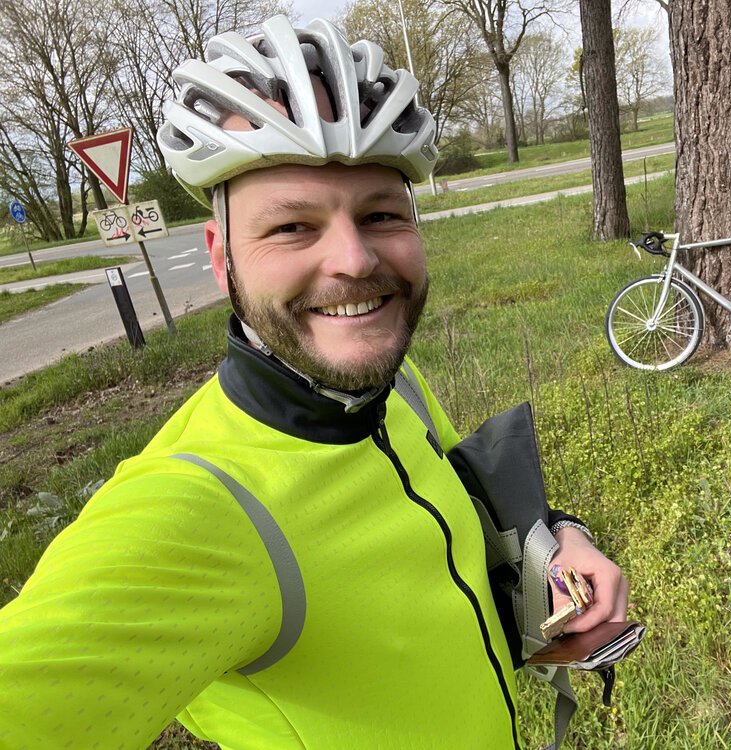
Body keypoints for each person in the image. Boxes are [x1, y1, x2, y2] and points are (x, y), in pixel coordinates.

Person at [0, 15, 628, 750]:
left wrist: (563, 542)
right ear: (219, 254)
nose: (355, 261)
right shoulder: (192, 510)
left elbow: (473, 500)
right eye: (293, 227)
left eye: (381, 214)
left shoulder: (394, 386)